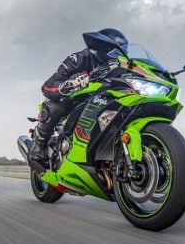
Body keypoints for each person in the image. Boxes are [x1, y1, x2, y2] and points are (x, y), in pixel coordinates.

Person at [28, 28, 128, 165]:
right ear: (101, 49)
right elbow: (48, 85)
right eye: (115, 52)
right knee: (56, 104)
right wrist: (69, 85)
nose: (119, 56)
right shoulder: (79, 59)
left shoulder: (123, 65)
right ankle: (39, 146)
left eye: (123, 51)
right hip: (75, 99)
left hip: (104, 98)